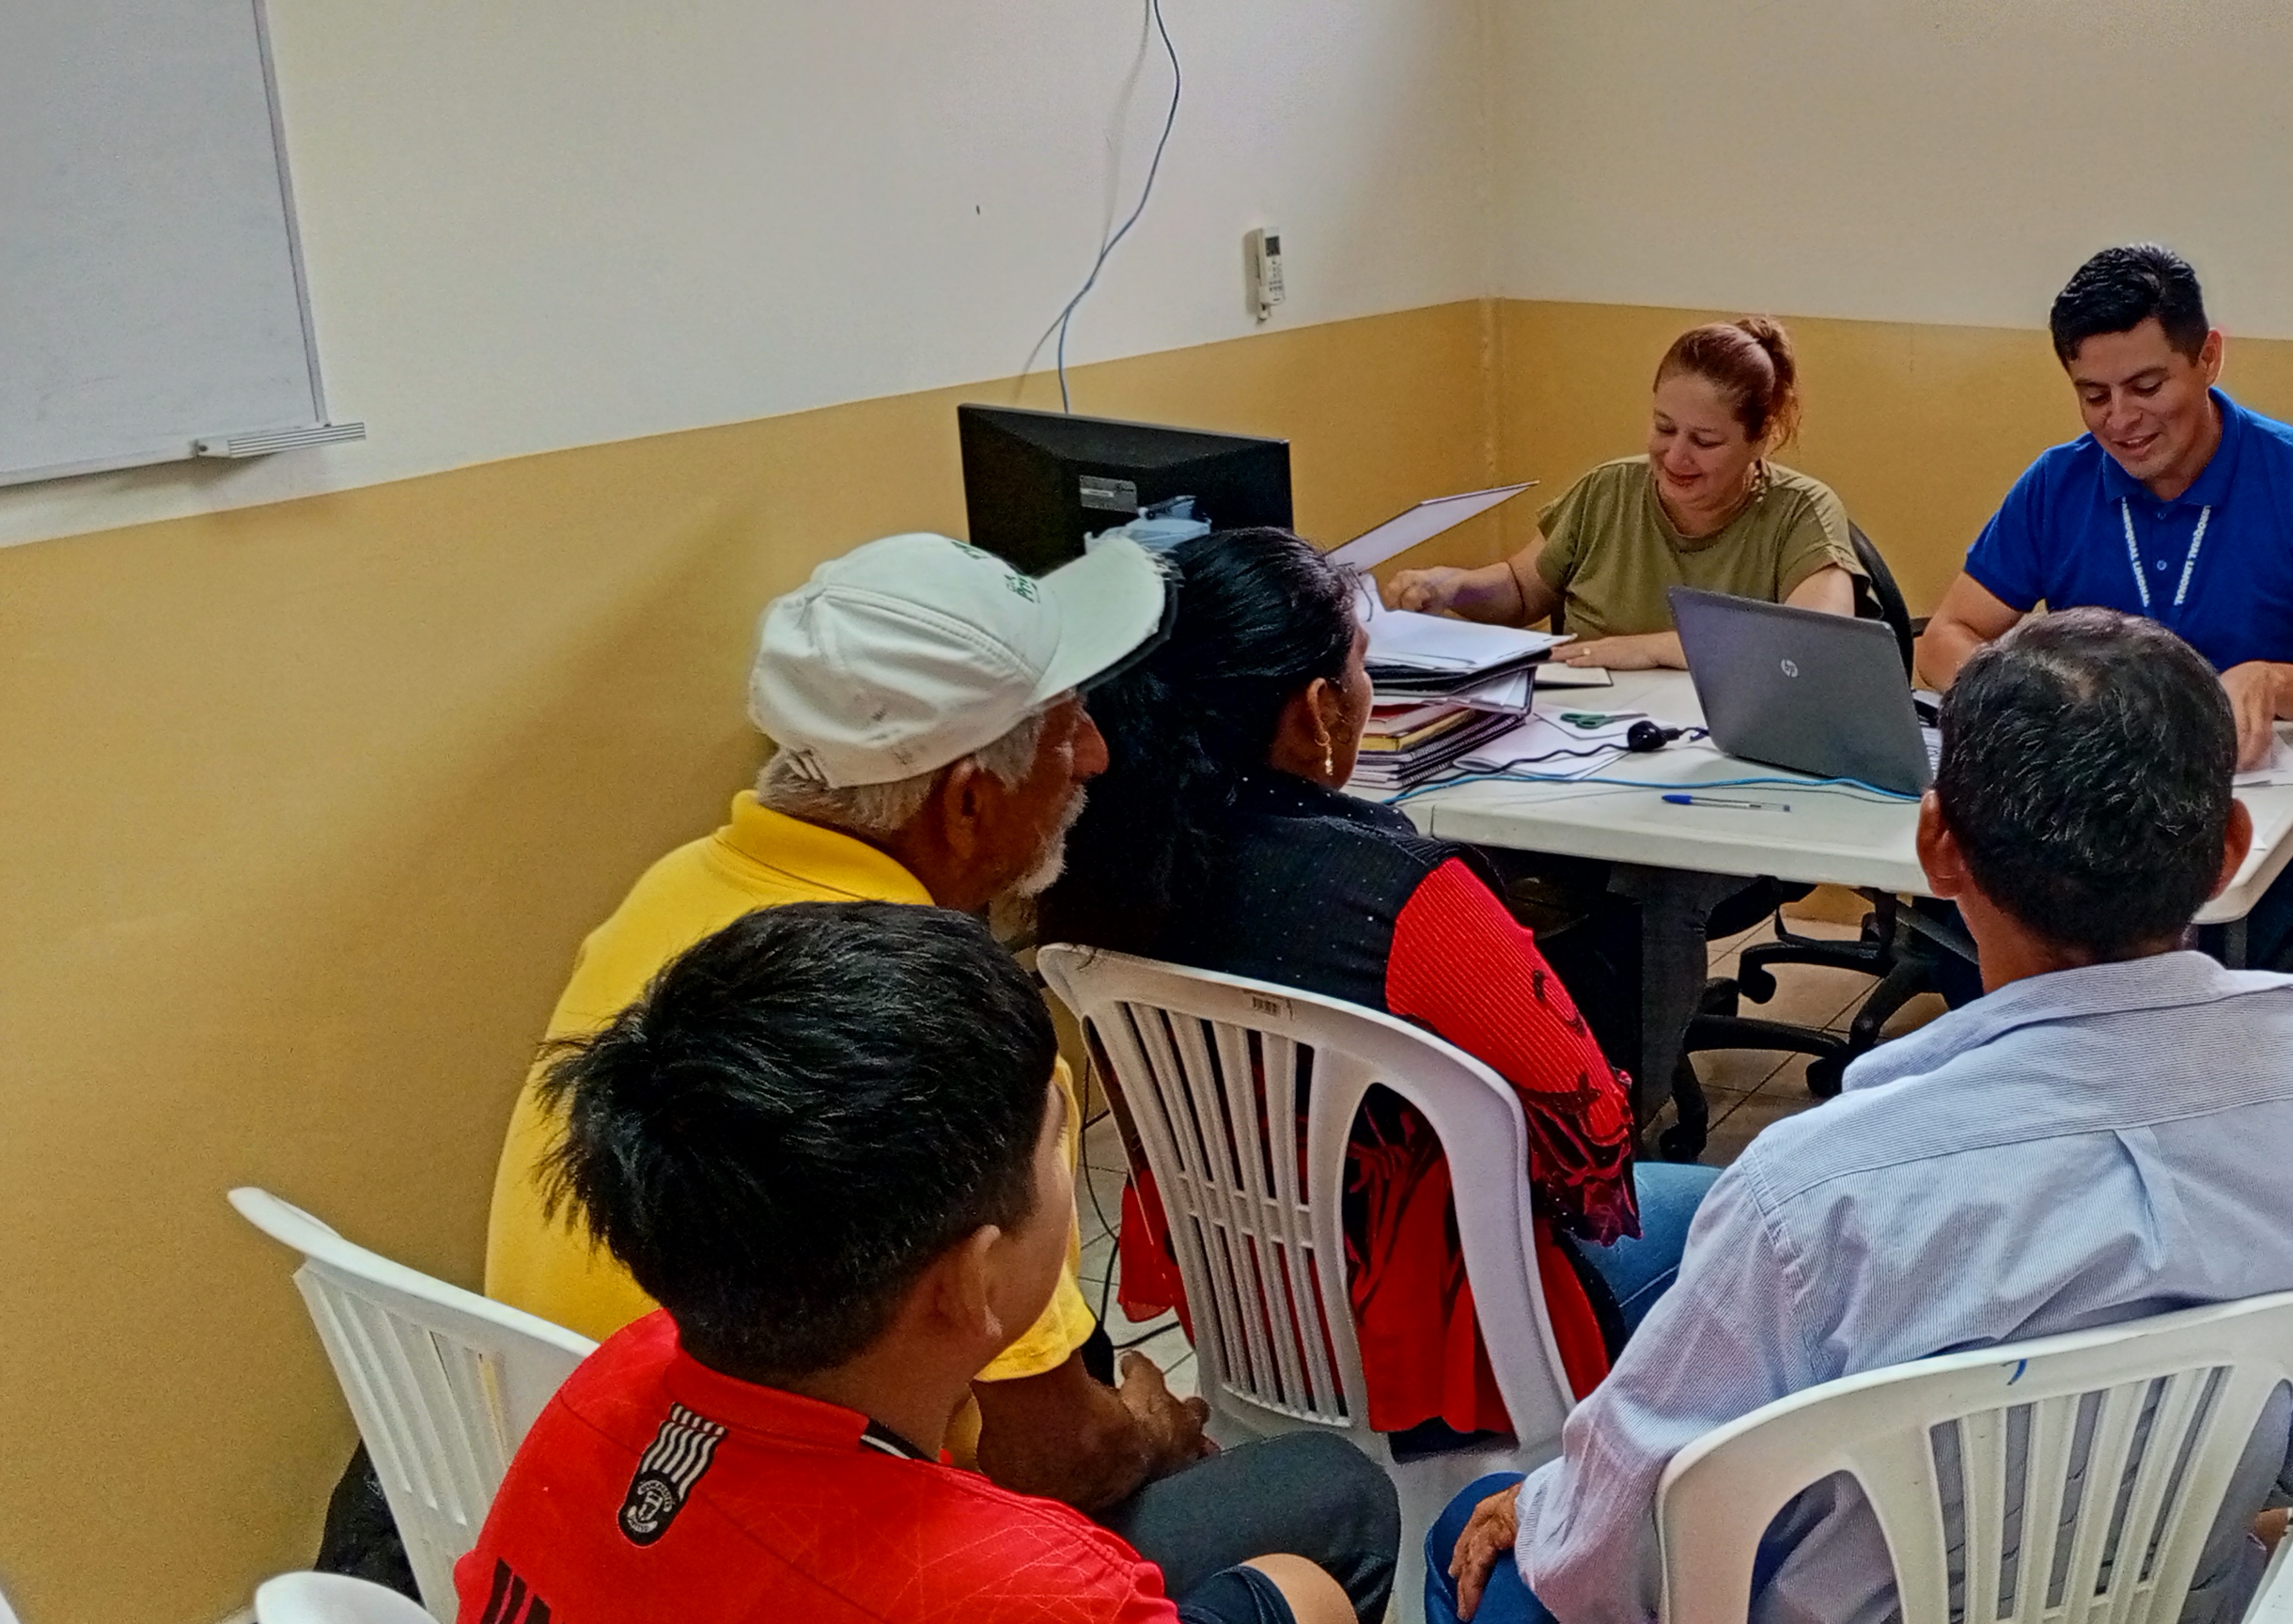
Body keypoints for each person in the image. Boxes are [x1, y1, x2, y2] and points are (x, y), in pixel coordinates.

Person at [1433, 609, 2293, 1624]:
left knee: (1471, 1533)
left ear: (1936, 846)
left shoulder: (1812, 1196)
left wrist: (1541, 1504)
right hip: (2177, 1602)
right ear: (2231, 848)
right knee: (1683, 1220)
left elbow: (1614, 1564)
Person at [476, 533, 1250, 1549]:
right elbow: (1059, 1458)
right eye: (1068, 729)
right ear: (966, 801)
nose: (1097, 755)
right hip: (808, 1549)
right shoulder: (952, 1031)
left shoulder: (673, 891)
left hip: (591, 1482)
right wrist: (1151, 1429)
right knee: (1314, 1492)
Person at [462, 900, 1398, 1623]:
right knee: (1310, 1570)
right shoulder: (1035, 1586)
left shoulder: (612, 1379)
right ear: (976, 1280)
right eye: (1056, 1141)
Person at [1042, 527, 1719, 1449]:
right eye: (1366, 668)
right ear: (1318, 710)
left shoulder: (1098, 884)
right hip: (1455, 1355)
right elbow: (1596, 1136)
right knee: (1740, 1214)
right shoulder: (1406, 899)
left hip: (1248, 1318)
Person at [1915, 243, 2293, 976]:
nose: (2121, 420)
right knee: (1980, 901)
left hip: (2239, 818)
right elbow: (1943, 640)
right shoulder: (2059, 483)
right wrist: (2033, 705)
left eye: (2146, 386)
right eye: (2094, 396)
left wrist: (2274, 680)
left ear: (2208, 358)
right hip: (2081, 810)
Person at [1387, 317, 1860, 669]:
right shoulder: (1606, 491)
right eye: (1664, 427)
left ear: (1760, 440)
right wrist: (1452, 586)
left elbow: (1817, 644)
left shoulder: (1802, 513)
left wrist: (1651, 649)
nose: (1676, 456)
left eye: (1705, 441)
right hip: (1585, 733)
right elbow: (1521, 590)